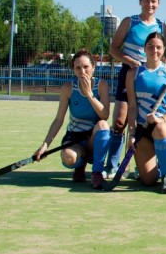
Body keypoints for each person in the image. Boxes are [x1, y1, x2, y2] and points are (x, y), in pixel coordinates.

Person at [105, 0, 166, 176]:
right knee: (120, 121)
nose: (150, 4)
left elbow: (165, 55)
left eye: (154, 1)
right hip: (130, 73)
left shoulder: (161, 26)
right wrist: (131, 62)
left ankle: (142, 164)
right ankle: (113, 165)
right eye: (146, 0)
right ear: (140, 1)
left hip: (151, 78)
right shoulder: (129, 22)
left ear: (159, 4)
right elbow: (113, 49)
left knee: (146, 121)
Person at [33, 49, 112, 188]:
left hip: (93, 138)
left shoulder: (101, 85)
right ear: (73, 70)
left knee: (103, 125)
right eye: (78, 68)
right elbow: (59, 119)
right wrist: (45, 145)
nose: (82, 71)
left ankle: (97, 173)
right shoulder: (68, 88)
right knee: (69, 158)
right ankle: (79, 166)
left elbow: (105, 115)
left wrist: (89, 94)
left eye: (86, 67)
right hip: (75, 138)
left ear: (93, 67)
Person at [123, 32, 166, 193]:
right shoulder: (133, 73)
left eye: (158, 47)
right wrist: (131, 134)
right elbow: (132, 107)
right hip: (142, 129)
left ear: (164, 49)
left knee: (160, 129)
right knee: (148, 181)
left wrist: (162, 119)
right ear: (144, 48)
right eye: (150, 46)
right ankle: (157, 166)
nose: (154, 50)